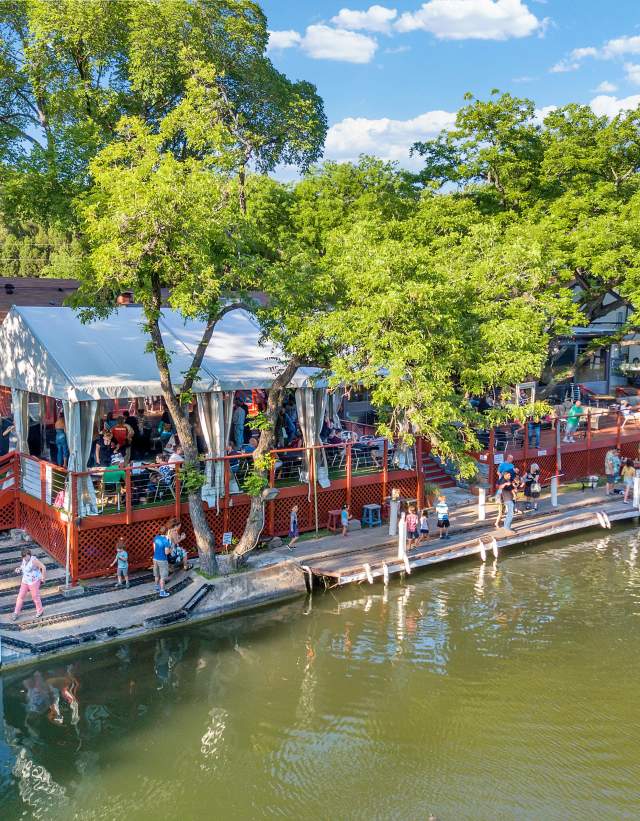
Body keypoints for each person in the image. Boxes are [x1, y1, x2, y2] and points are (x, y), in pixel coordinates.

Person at [11, 547, 46, 621]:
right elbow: (23, 566)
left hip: (34, 581)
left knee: (35, 597)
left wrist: (43, 577)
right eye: (24, 557)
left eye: (26, 556)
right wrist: (19, 569)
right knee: (20, 596)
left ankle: (40, 611)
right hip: (25, 581)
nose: (25, 558)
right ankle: (16, 612)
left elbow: (43, 567)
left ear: (29, 555)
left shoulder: (34, 561)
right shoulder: (24, 560)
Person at [152, 525, 173, 598]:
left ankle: (156, 586)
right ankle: (162, 592)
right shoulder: (165, 541)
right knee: (163, 577)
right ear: (166, 532)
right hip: (162, 560)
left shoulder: (156, 538)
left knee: (156, 574)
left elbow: (154, 549)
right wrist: (171, 549)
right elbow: (166, 552)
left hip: (155, 559)